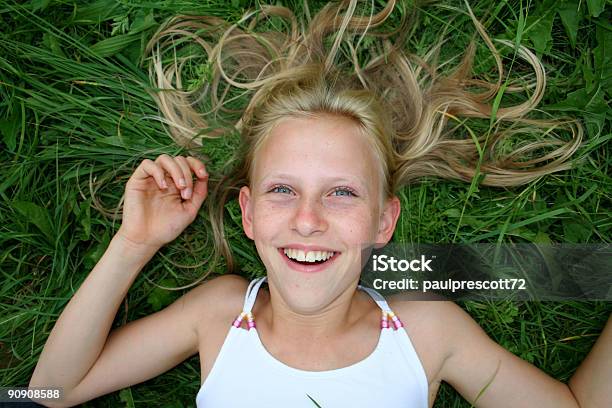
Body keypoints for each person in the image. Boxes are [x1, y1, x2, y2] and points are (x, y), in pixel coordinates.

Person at [29, 1, 611, 407]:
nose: (308, 220)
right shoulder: (219, 313)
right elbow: (50, 392)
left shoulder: (427, 328)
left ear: (385, 221)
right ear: (249, 214)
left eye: (342, 192)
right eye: (283, 190)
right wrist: (134, 245)